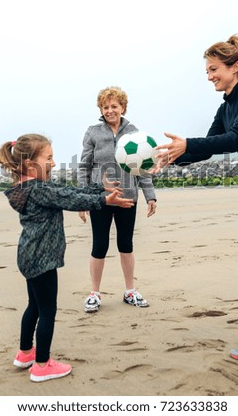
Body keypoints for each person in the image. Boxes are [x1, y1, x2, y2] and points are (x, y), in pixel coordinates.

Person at [154, 34, 238, 363]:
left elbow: (236, 139)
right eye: (207, 71)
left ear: (235, 66)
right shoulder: (226, 106)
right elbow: (210, 144)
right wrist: (169, 159)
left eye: (214, 69)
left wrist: (186, 144)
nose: (209, 76)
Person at [0, 133, 134, 382]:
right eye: (49, 157)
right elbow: (70, 199)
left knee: (34, 306)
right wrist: (103, 199)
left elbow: (67, 191)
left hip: (29, 254)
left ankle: (25, 353)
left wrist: (100, 188)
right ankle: (41, 365)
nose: (54, 162)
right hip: (42, 258)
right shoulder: (37, 189)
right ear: (30, 163)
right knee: (48, 310)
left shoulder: (28, 187)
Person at [78, 86, 157, 313]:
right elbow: (84, 167)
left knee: (126, 244)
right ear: (100, 109)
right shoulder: (93, 132)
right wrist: (84, 199)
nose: (110, 110)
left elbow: (143, 168)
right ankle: (94, 293)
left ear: (123, 107)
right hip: (100, 199)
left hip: (127, 197)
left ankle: (130, 291)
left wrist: (149, 195)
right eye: (105, 107)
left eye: (114, 106)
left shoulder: (134, 132)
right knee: (99, 245)